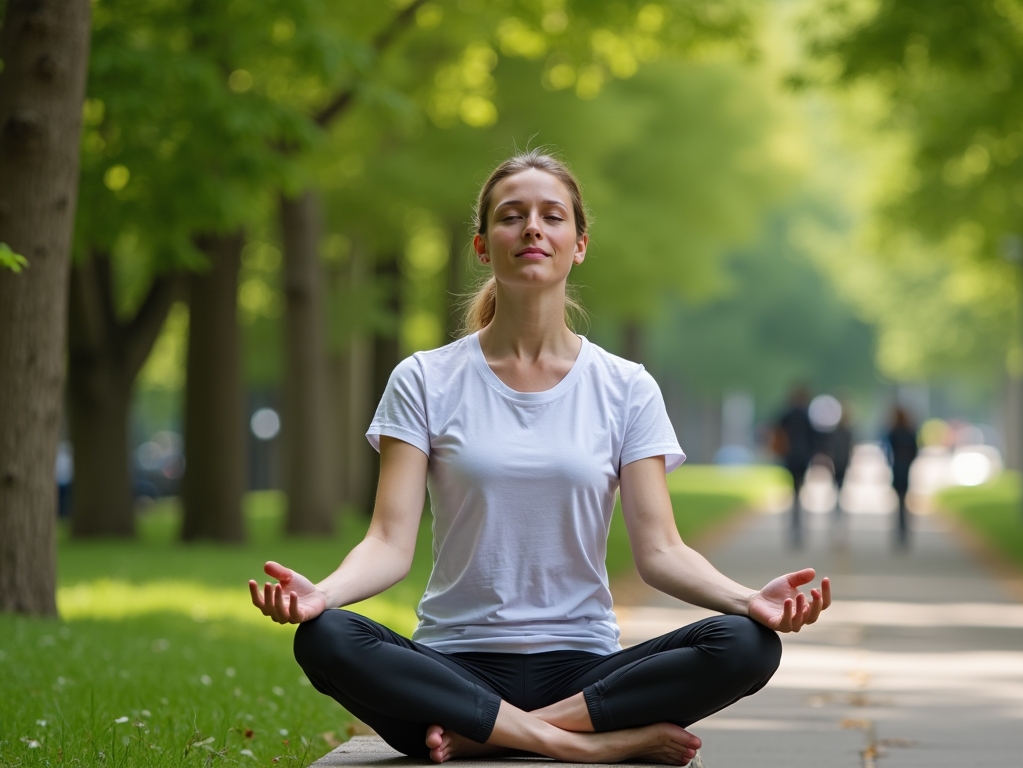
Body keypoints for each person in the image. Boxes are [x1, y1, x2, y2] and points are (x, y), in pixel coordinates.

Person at [247, 151, 831, 766]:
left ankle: (499, 734)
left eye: (552, 216)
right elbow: (389, 543)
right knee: (328, 636)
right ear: (482, 245)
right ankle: (585, 747)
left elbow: (660, 552)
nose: (532, 228)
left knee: (748, 645)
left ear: (578, 245)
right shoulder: (424, 379)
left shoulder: (626, 387)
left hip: (585, 675)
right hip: (451, 671)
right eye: (511, 216)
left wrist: (748, 601)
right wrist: (324, 594)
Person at [773, 385, 816, 546]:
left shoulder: (787, 414)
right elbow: (813, 438)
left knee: (795, 490)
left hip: (790, 457)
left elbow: (777, 432)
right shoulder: (806, 415)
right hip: (802, 458)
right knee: (799, 490)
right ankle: (798, 525)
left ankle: (794, 524)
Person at [884, 407, 919, 544]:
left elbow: (887, 450)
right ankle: (903, 528)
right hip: (905, 470)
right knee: (903, 501)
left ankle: (900, 528)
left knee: (899, 501)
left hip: (897, 470)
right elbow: (915, 450)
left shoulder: (893, 432)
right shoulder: (910, 432)